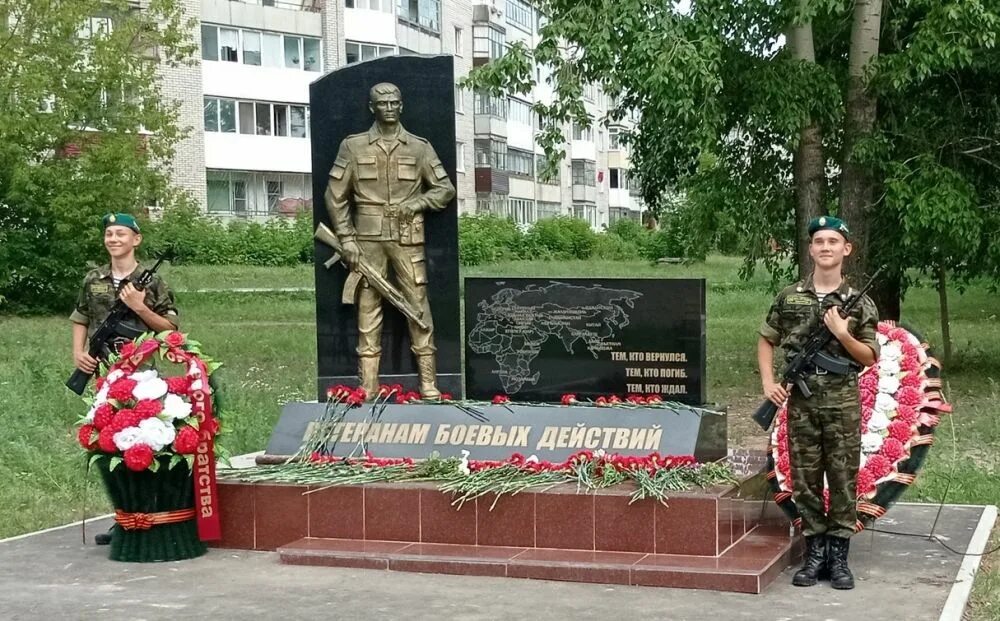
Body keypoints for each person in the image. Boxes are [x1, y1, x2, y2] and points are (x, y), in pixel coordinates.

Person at [757, 216, 879, 590]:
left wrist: (842, 334)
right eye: (819, 241)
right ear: (810, 249)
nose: (825, 247)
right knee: (805, 478)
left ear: (846, 249)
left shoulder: (860, 303)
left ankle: (839, 557)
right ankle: (814, 553)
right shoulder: (789, 296)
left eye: (833, 241)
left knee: (843, 478)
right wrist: (768, 383)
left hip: (842, 398)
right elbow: (766, 339)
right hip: (803, 400)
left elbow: (869, 357)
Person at [324, 82, 455, 399]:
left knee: (417, 305)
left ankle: (427, 383)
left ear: (402, 105)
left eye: (395, 102)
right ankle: (368, 386)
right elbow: (335, 196)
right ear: (372, 108)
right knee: (368, 310)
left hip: (407, 238)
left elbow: (445, 189)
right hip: (367, 240)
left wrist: (416, 203)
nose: (389, 108)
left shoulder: (418, 147)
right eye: (382, 103)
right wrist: (347, 238)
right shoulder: (353, 147)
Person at [70, 212, 179, 544]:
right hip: (103, 377)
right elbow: (81, 317)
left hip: (141, 378)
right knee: (110, 447)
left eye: (120, 233)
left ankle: (145, 514)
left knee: (141, 443)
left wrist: (140, 307)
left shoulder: (152, 283)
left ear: (136, 239)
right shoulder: (94, 279)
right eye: (109, 234)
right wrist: (78, 353)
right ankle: (122, 517)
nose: (114, 239)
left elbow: (172, 329)